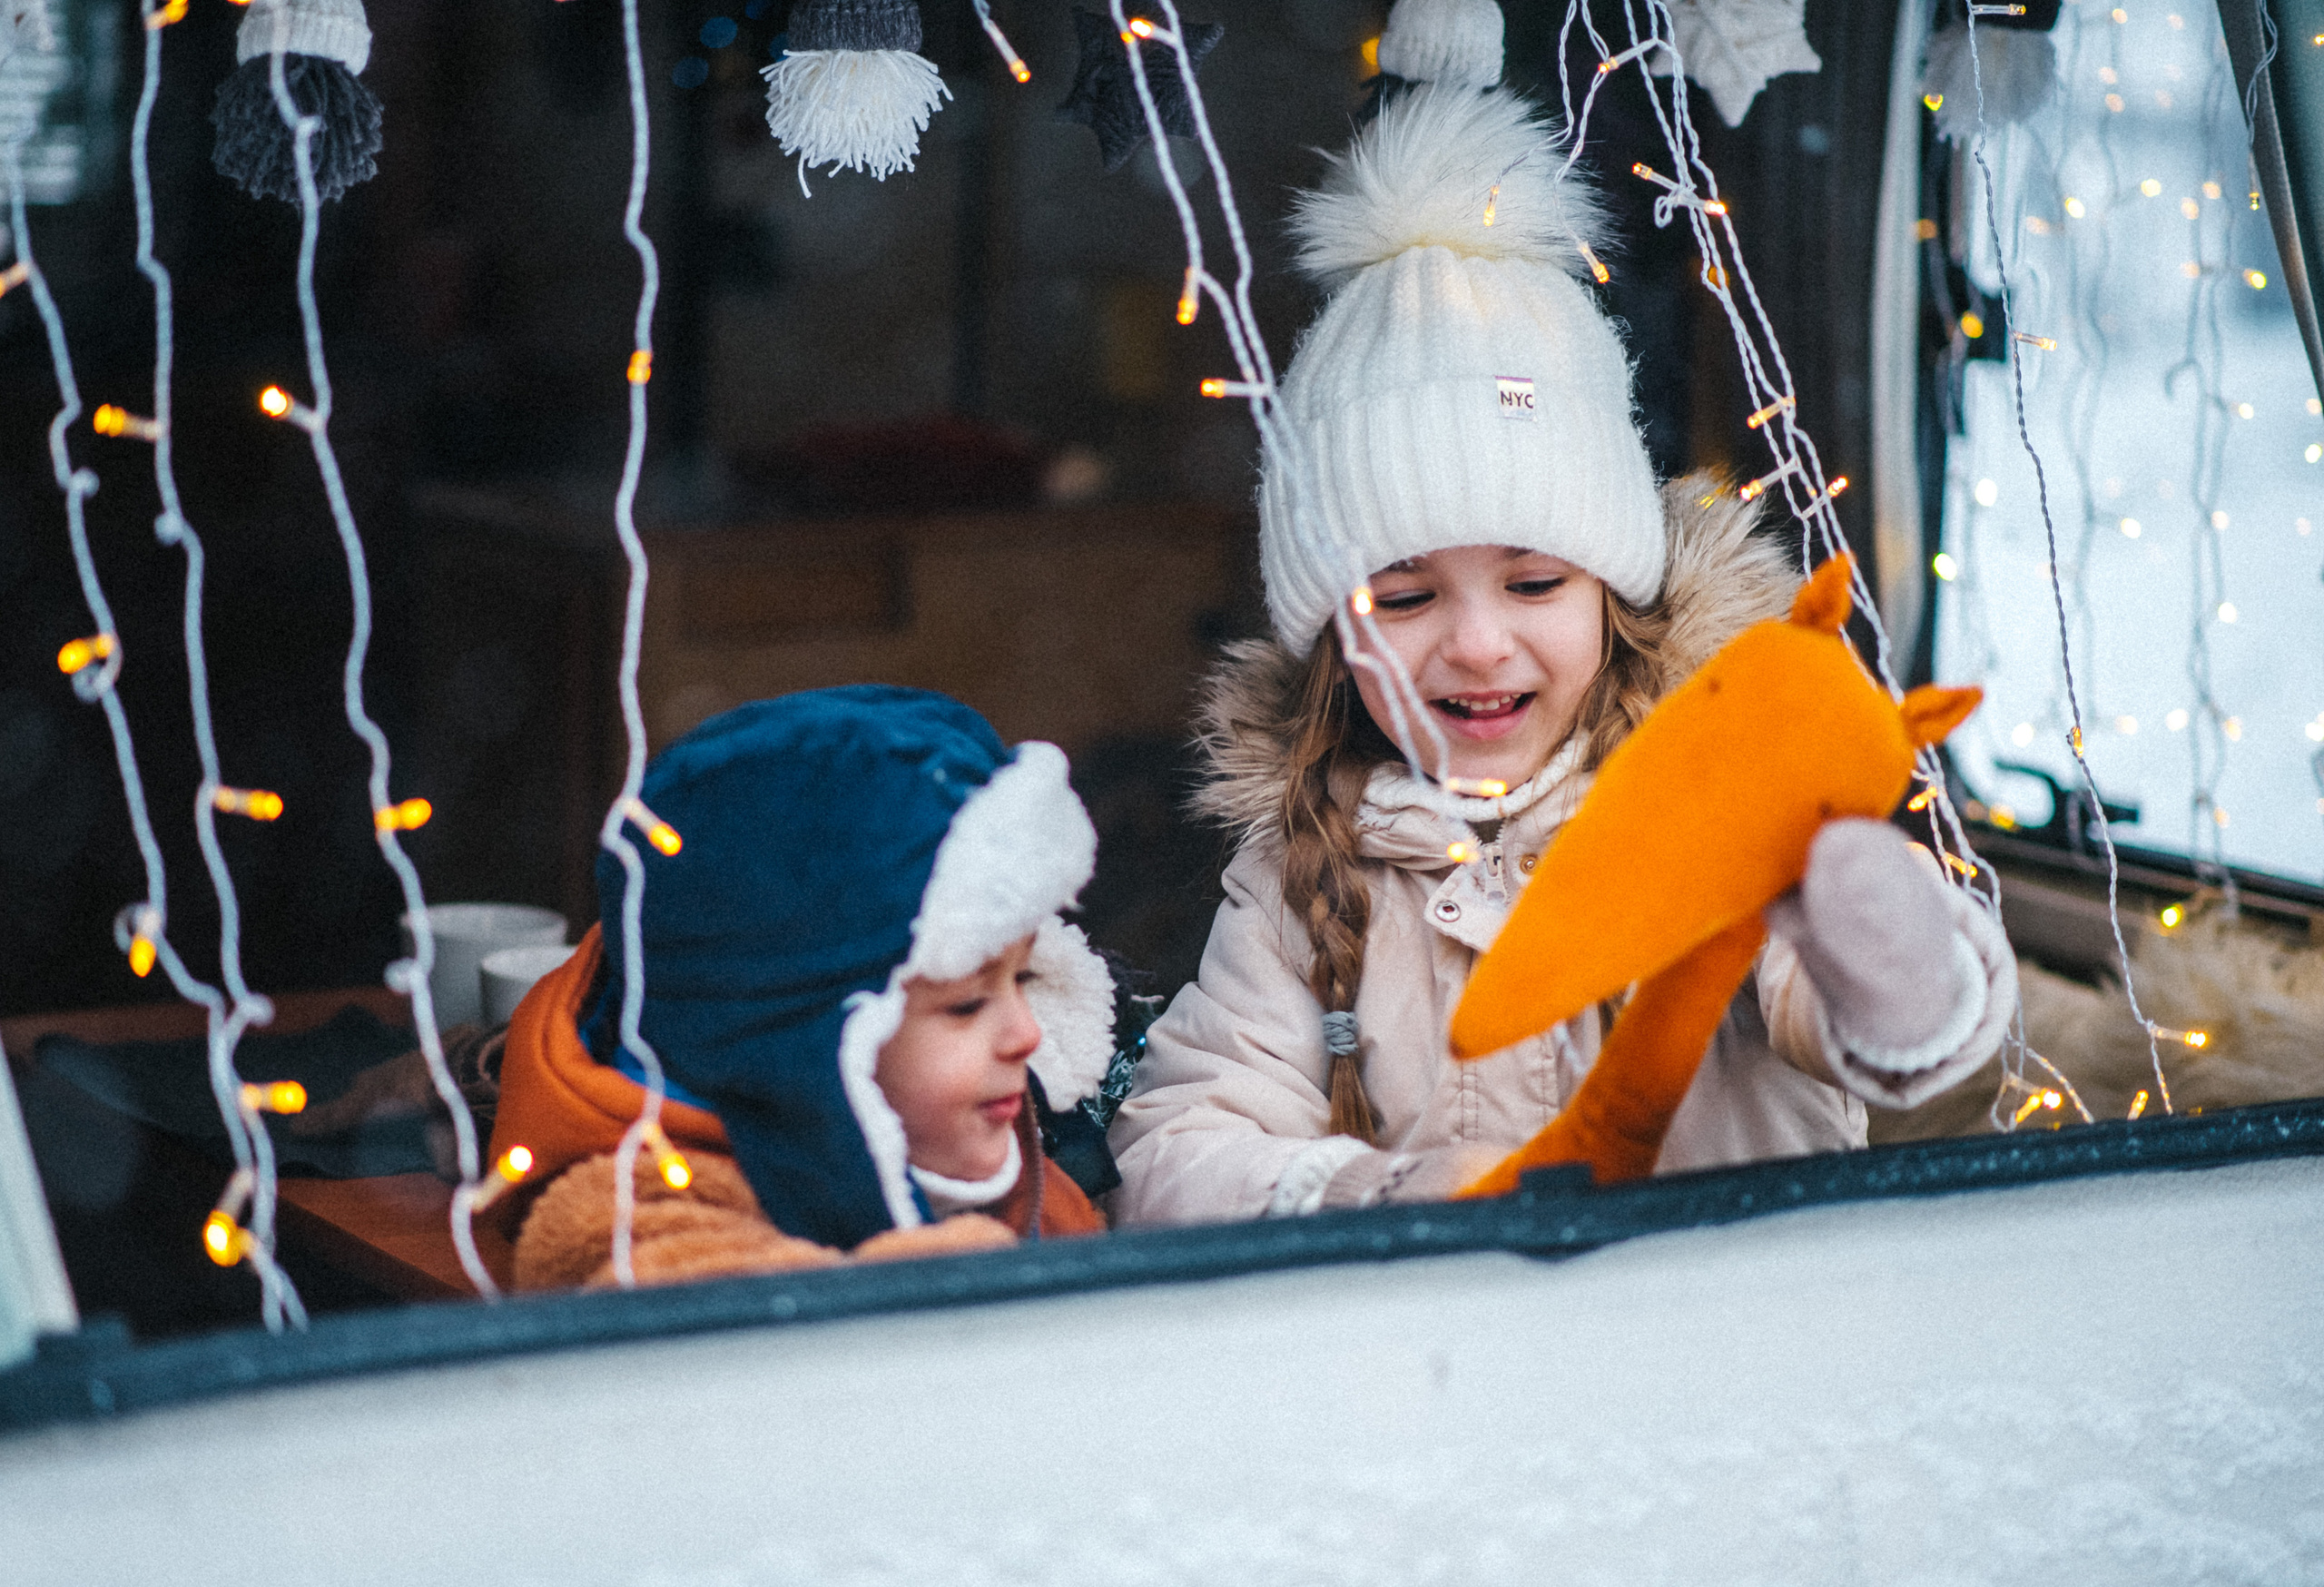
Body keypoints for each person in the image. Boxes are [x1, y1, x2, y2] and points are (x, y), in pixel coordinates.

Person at [1107, 1, 2015, 1226]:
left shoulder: (1726, 804)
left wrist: (1884, 940)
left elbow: (1889, 1031)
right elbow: (1174, 1144)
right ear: (1333, 637)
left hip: (1736, 1325)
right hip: (1447, 1334)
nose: (1479, 641)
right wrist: (1385, 1190)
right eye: (1406, 595)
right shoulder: (1302, 876)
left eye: (1534, 583)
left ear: (1613, 596)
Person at [489, 685, 1118, 1289]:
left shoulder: (1003, 1161)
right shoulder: (636, 1220)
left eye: (1024, 977)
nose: (1028, 1034)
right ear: (796, 1042)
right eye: (966, 1004)